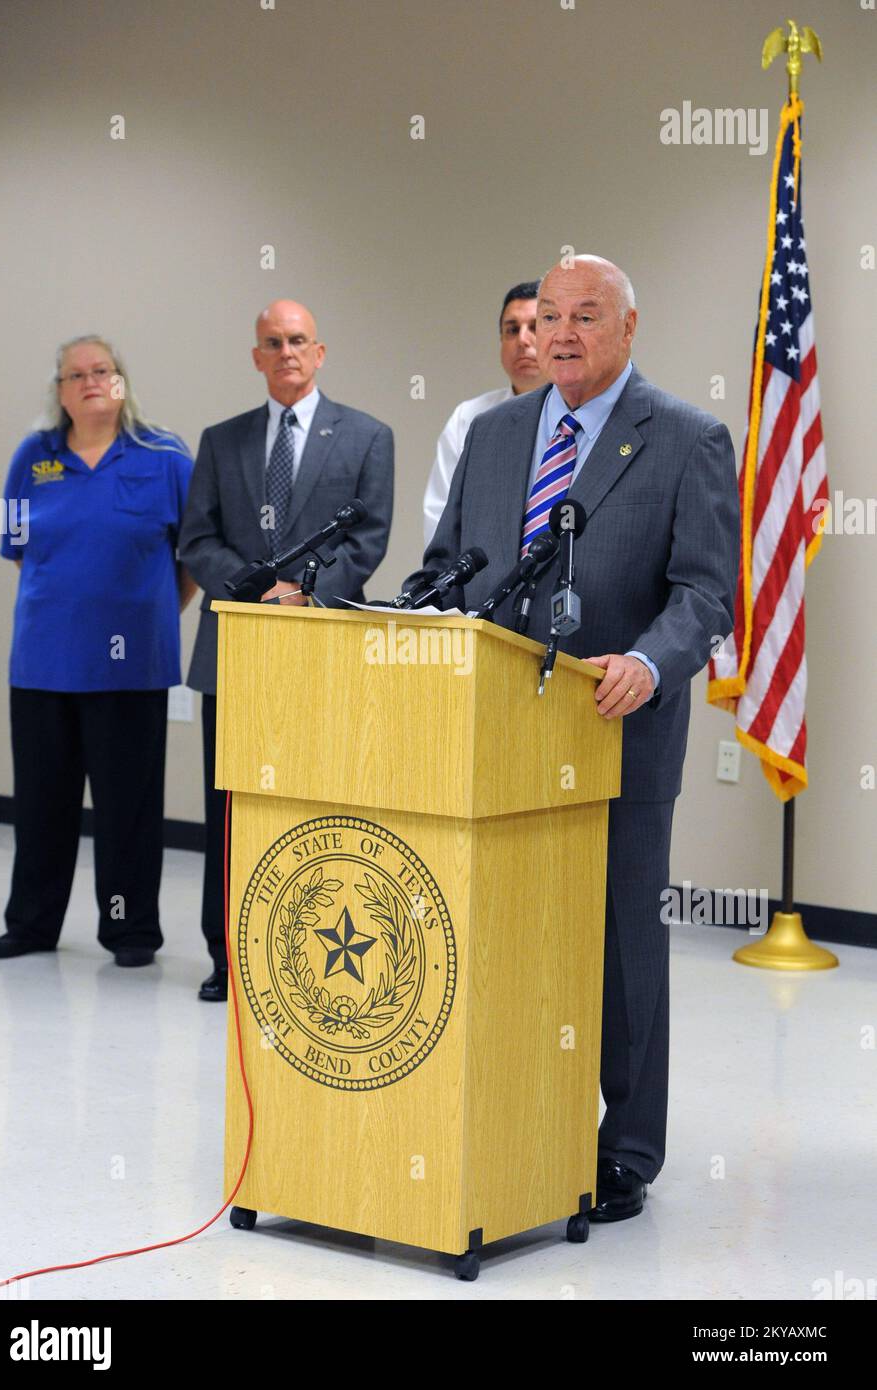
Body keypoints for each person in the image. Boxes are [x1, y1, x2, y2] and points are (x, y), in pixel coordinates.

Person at [410, 256, 740, 1221]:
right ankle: (509, 1120)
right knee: (502, 935)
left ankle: (627, 1146)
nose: (558, 333)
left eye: (584, 316)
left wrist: (649, 662)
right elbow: (446, 569)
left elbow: (705, 593)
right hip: (494, 734)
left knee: (619, 946)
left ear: (629, 329)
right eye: (546, 316)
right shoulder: (493, 431)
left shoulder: (684, 437)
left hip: (615, 732)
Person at [179, 299, 394, 1003]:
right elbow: (197, 541)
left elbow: (366, 542)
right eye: (272, 342)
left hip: (318, 649)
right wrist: (251, 590)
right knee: (230, 808)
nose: (286, 353)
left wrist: (303, 593)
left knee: (312, 808)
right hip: (234, 649)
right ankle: (225, 956)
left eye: (298, 340)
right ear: (256, 357)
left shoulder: (366, 437)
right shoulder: (221, 440)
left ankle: (302, 954)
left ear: (321, 351)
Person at [0, 335, 196, 968]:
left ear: (122, 381)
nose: (89, 381)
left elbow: (191, 560)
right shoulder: (34, 458)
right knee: (42, 804)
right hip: (44, 664)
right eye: (74, 375)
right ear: (59, 392)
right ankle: (31, 924)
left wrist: (149, 613)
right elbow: (22, 553)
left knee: (128, 808)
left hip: (131, 668)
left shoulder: (164, 457)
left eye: (101, 370)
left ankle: (130, 933)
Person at [423, 280, 546, 545]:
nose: (523, 340)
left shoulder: (578, 417)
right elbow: (440, 515)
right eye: (512, 330)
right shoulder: (469, 418)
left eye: (535, 327)